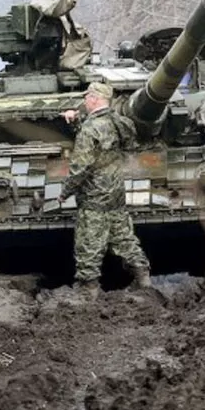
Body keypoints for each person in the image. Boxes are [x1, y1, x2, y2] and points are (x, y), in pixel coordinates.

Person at [58, 82, 151, 291]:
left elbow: (80, 167)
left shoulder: (89, 130)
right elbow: (122, 140)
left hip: (94, 196)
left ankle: (88, 288)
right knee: (124, 237)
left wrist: (65, 192)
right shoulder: (120, 122)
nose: (84, 101)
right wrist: (78, 119)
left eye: (87, 98)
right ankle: (143, 278)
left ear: (94, 98)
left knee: (89, 243)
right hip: (116, 192)